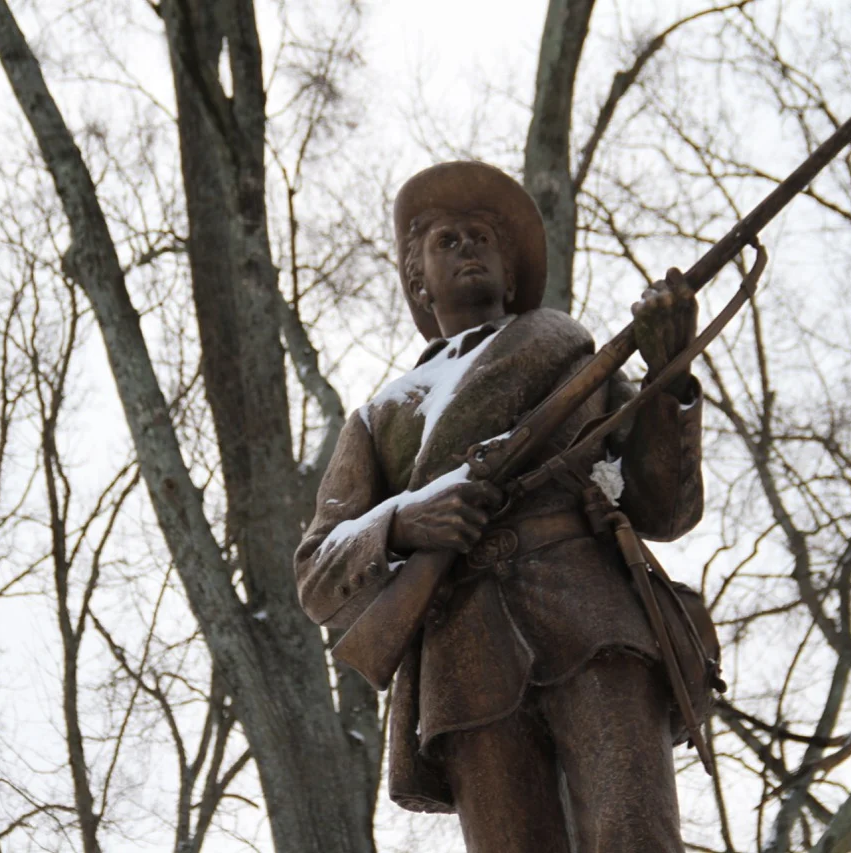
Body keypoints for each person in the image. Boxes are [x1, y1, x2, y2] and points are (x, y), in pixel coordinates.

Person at [294, 161, 711, 853]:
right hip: (467, 656)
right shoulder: (379, 415)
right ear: (418, 280)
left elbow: (664, 509)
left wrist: (669, 377)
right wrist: (402, 519)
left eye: (482, 236)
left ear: (511, 277)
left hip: (595, 620)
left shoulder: (574, 359)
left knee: (636, 833)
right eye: (447, 239)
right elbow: (317, 572)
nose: (467, 247)